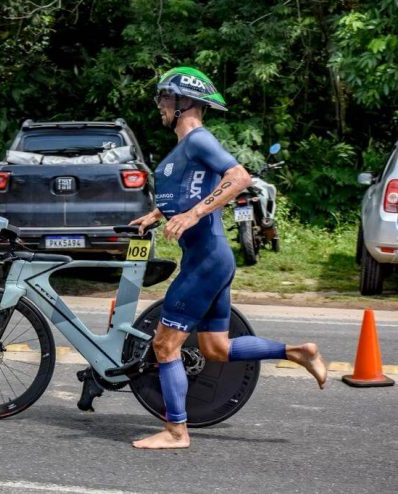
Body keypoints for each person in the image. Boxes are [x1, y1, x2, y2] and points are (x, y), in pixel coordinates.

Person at [129, 67, 327, 450]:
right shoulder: (185, 148)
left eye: (165, 98)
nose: (160, 106)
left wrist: (193, 214)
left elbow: (239, 177)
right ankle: (298, 351)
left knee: (165, 346)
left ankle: (175, 432)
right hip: (213, 258)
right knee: (215, 348)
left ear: (185, 102)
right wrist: (158, 214)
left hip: (205, 260)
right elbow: (189, 190)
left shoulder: (199, 140)